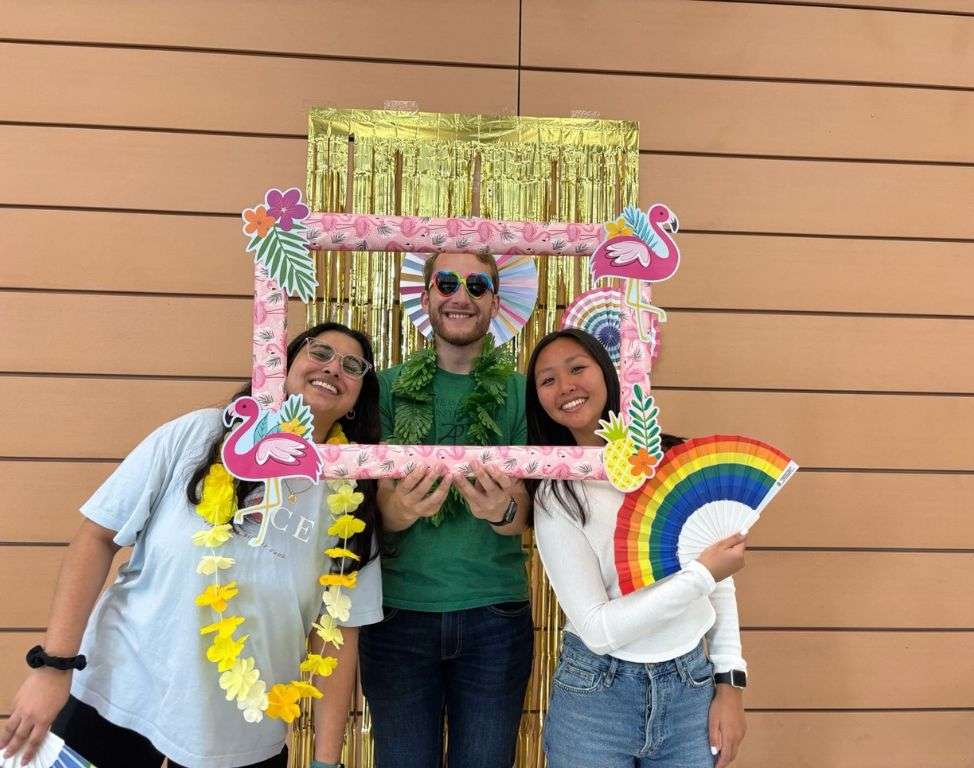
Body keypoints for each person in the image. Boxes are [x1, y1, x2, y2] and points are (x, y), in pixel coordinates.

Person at [0, 322, 383, 768]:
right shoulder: (197, 436)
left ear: (357, 401)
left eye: (352, 365)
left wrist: (325, 760)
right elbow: (96, 537)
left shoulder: (351, 499)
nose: (333, 368)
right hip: (118, 693)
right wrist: (54, 667)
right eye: (319, 352)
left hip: (241, 732)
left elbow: (338, 634)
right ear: (281, 368)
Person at [526, 328, 749, 768]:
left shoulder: (673, 461)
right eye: (547, 380)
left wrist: (730, 687)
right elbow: (599, 629)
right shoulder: (556, 495)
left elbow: (720, 587)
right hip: (596, 697)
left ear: (607, 372)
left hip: (691, 688)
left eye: (577, 368)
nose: (566, 386)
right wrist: (701, 574)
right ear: (538, 400)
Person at [359, 252, 533, 768]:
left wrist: (503, 511)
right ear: (427, 295)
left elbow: (523, 515)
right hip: (396, 615)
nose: (461, 295)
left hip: (494, 617)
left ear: (495, 303)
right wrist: (394, 512)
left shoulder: (522, 392)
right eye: (447, 283)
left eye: (477, 286)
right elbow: (363, 509)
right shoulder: (383, 389)